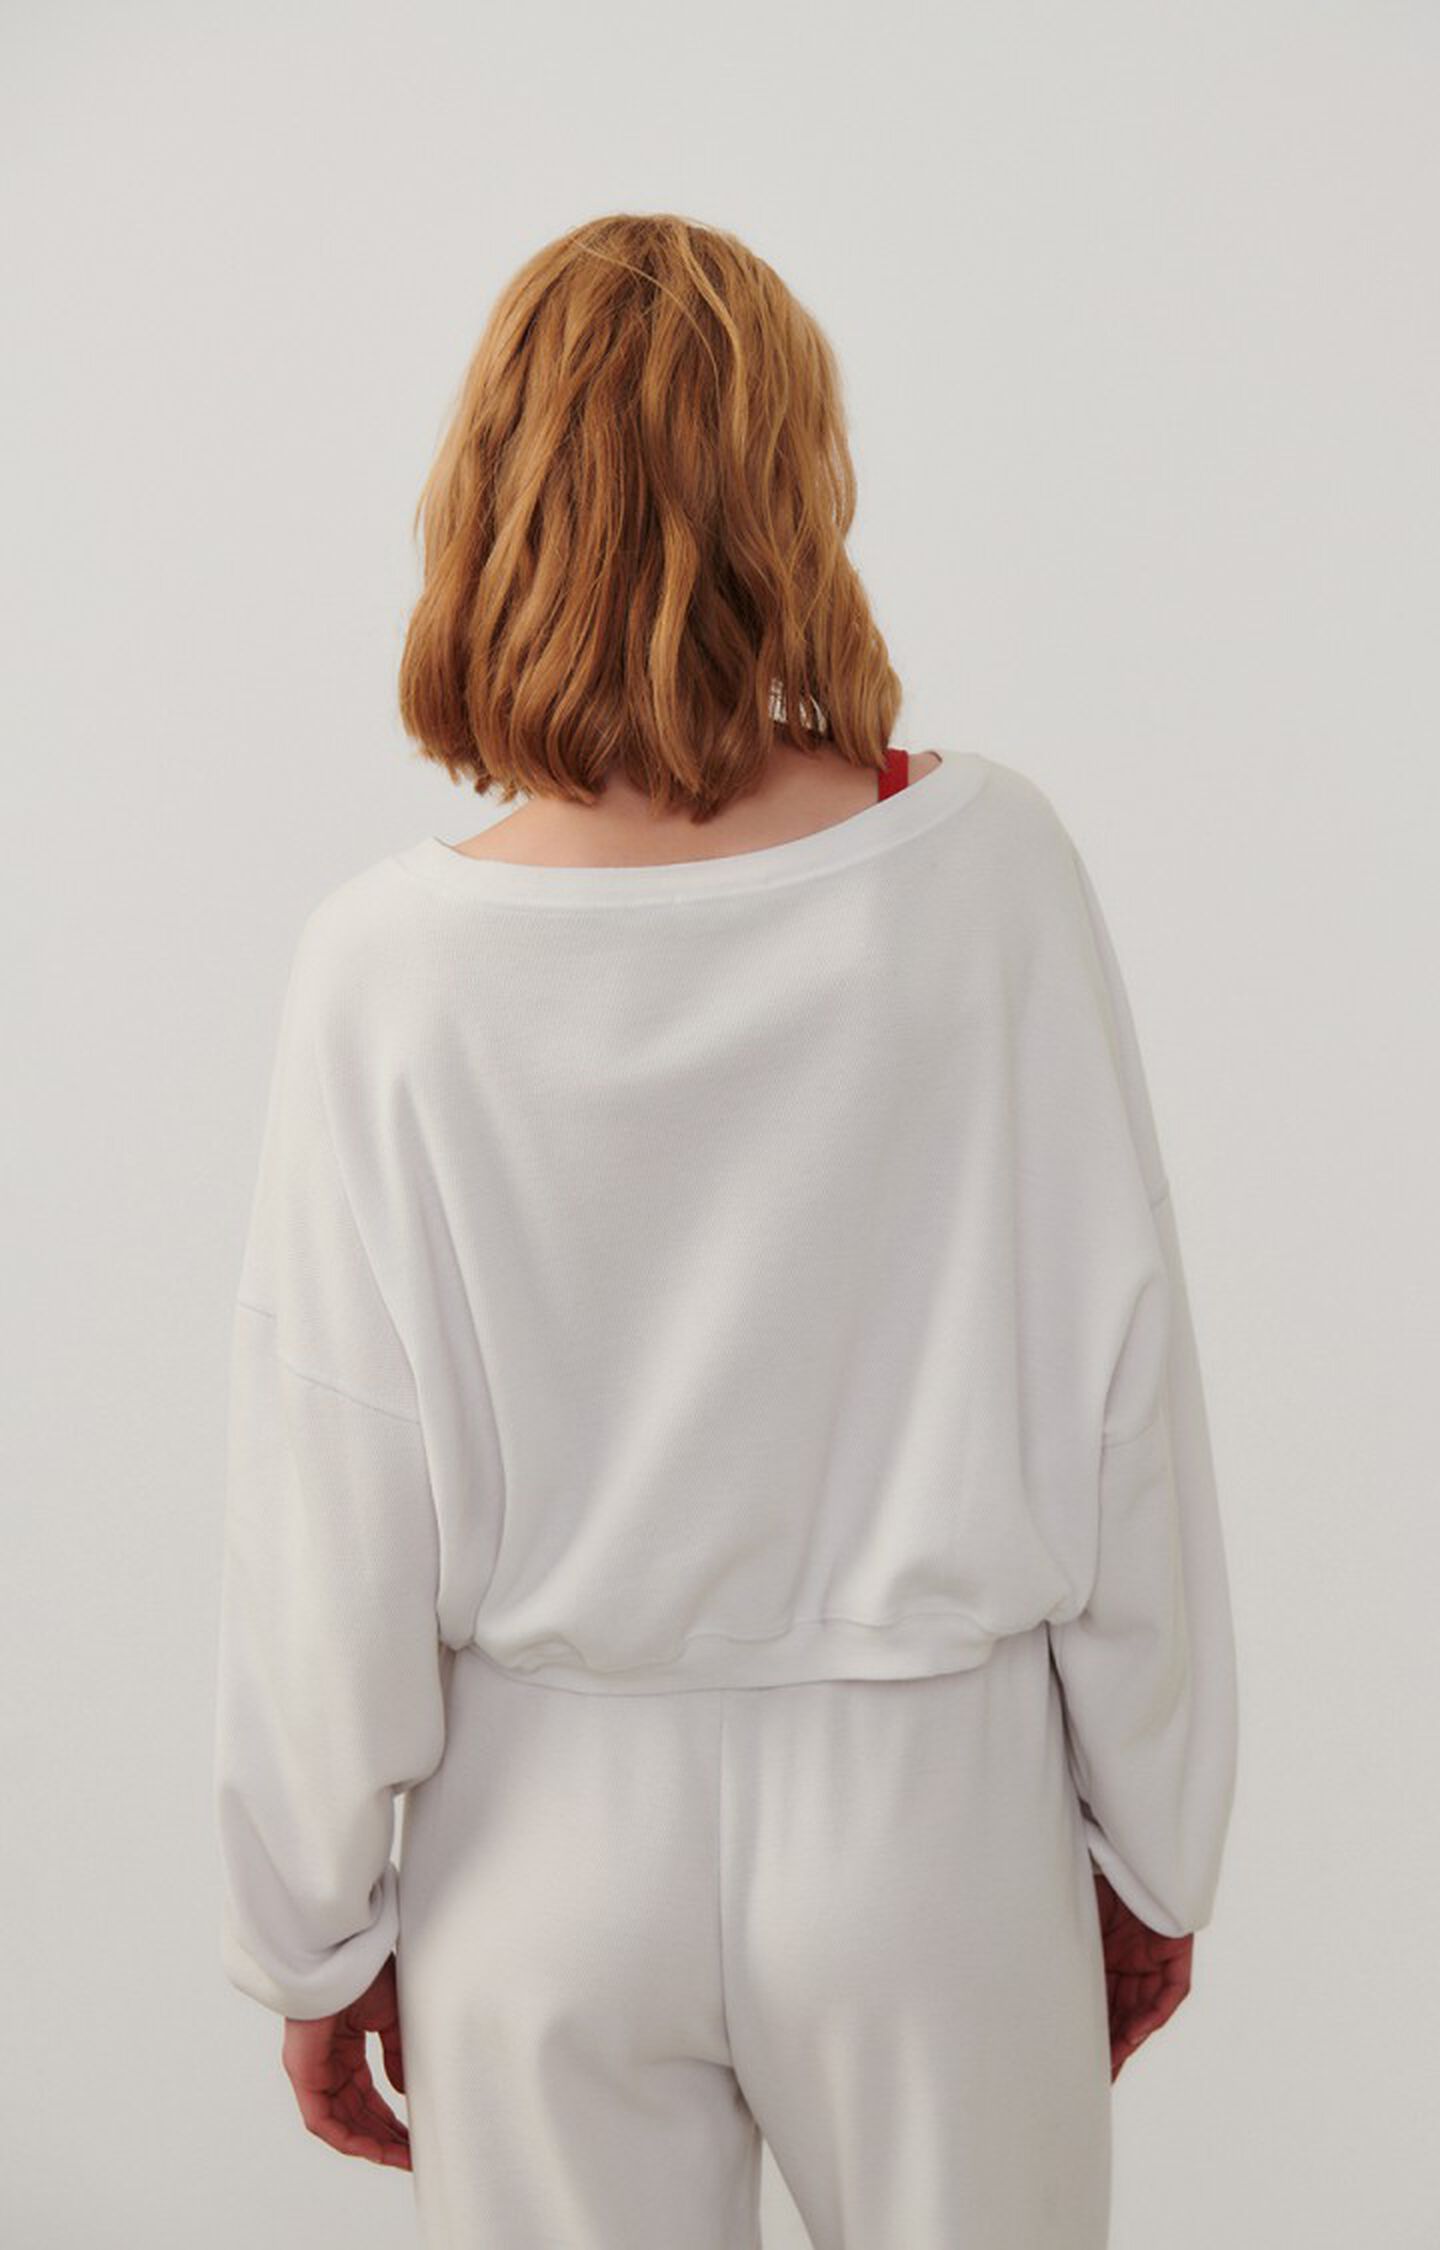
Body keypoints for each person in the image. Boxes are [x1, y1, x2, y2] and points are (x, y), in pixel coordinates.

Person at [212, 211, 1238, 2249]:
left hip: (539, 1832)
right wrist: (1154, 1839)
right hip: (930, 1817)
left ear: (490, 503)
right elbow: (1125, 1386)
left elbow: (333, 1487)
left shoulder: (387, 968)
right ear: (798, 491)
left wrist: (310, 1929)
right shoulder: (989, 873)